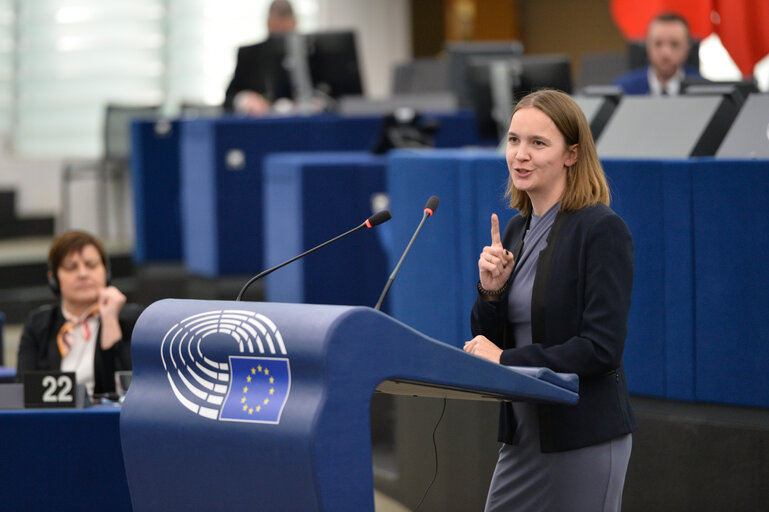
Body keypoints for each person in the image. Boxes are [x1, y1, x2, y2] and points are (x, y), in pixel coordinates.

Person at [464, 89, 636, 512]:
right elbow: (489, 339)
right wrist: (490, 292)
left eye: (538, 143)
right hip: (524, 435)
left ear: (571, 155)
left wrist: (505, 360)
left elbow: (601, 349)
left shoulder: (601, 230)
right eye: (513, 140)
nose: (520, 154)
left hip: (582, 437)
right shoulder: (515, 232)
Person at [16, 231, 142, 397]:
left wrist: (110, 321)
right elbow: (23, 390)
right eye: (71, 267)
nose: (83, 274)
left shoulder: (133, 320)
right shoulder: (38, 324)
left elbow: (128, 390)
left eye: (91, 265)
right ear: (53, 278)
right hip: (54, 419)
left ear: (106, 272)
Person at [223, 0, 297, 115]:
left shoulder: (311, 56)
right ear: (268, 23)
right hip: (257, 124)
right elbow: (229, 98)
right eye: (276, 26)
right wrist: (245, 99)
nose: (280, 33)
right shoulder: (249, 54)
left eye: (285, 28)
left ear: (294, 23)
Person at [613, 12, 702, 95]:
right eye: (658, 43)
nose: (666, 53)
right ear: (647, 45)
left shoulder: (704, 90)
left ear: (687, 47)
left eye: (674, 44)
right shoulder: (622, 90)